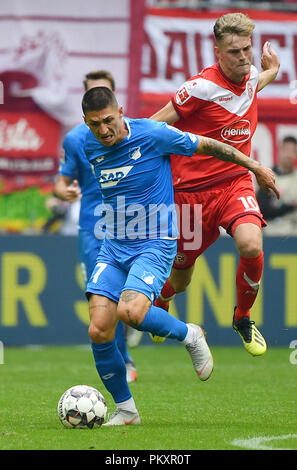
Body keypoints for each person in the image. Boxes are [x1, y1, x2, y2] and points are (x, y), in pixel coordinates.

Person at [82, 86, 278, 426]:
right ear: (85, 122)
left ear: (122, 111)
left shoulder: (153, 134)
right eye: (94, 124)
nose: (103, 130)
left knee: (130, 311)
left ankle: (190, 335)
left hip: (154, 242)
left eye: (108, 120)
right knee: (99, 330)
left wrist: (254, 166)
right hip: (113, 247)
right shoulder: (89, 145)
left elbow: (209, 145)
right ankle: (126, 411)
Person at [150, 12, 280, 356]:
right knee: (181, 279)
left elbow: (256, 81)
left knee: (251, 244)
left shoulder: (251, 74)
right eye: (234, 51)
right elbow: (155, 125)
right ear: (217, 52)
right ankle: (162, 300)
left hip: (234, 182)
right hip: (190, 195)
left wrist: (274, 70)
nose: (243, 57)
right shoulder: (199, 88)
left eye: (247, 49)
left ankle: (242, 317)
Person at [54, 70, 138, 383]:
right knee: (102, 297)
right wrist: (66, 191)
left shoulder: (134, 133)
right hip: (93, 226)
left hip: (133, 224)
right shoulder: (76, 139)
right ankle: (124, 360)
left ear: (116, 101)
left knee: (133, 298)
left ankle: (157, 322)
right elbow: (61, 183)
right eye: (91, 94)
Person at [257, 136, 297, 236]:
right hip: (271, 233)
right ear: (280, 150)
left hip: (293, 233)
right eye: (286, 149)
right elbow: (263, 210)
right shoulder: (266, 176)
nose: (289, 155)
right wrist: (291, 206)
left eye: (293, 151)